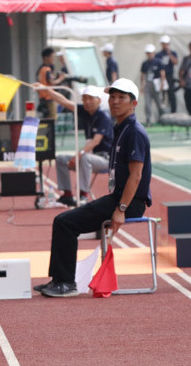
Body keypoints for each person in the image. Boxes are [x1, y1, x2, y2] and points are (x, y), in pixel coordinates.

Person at [35, 78, 151, 297]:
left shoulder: (134, 131)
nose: (115, 101)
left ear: (133, 103)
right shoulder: (122, 127)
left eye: (121, 98)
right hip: (118, 198)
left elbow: (136, 176)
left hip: (128, 202)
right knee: (64, 221)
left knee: (65, 222)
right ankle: (59, 280)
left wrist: (121, 209)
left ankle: (65, 283)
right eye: (113, 97)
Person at [36, 83, 113, 206]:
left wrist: (79, 154)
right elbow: (65, 102)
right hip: (88, 156)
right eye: (84, 99)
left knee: (85, 158)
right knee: (61, 158)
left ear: (98, 100)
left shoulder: (104, 117)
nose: (87, 102)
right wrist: (46, 90)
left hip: (105, 159)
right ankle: (67, 195)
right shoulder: (84, 111)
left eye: (90, 98)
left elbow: (96, 141)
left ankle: (83, 196)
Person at [140, 43, 167, 126]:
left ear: (154, 53)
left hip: (157, 83)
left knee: (159, 103)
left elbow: (162, 73)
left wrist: (162, 83)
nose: (149, 55)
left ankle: (163, 119)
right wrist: (142, 85)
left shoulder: (158, 62)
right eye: (148, 53)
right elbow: (143, 75)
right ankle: (148, 120)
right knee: (147, 104)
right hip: (148, 84)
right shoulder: (145, 63)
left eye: (151, 53)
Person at [36, 47, 66, 119]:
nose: (53, 59)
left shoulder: (40, 69)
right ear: (46, 57)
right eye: (52, 57)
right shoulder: (47, 69)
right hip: (48, 97)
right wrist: (61, 78)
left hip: (42, 98)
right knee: (52, 118)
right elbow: (52, 82)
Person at [156, 35, 178, 113]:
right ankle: (162, 112)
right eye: (163, 43)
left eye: (166, 43)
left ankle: (173, 112)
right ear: (161, 44)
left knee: (171, 94)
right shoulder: (158, 55)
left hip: (169, 76)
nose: (165, 45)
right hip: (161, 77)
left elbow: (175, 62)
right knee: (162, 95)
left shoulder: (172, 53)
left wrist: (169, 54)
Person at [177, 41, 191, 116]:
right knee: (188, 103)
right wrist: (181, 80)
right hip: (188, 85)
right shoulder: (186, 59)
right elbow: (181, 71)